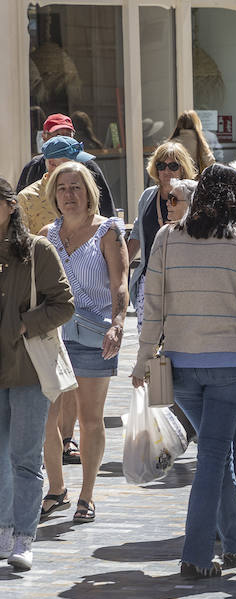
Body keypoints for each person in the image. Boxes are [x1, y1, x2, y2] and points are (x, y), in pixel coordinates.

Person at [131, 164, 236, 579]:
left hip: (181, 364)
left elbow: (151, 305)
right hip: (230, 362)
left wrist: (141, 360)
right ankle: (194, 552)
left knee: (215, 453)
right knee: (213, 454)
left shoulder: (167, 237)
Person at [37, 162, 128, 525]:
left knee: (90, 419)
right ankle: (57, 489)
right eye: (62, 189)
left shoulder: (108, 231)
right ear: (53, 195)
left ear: (89, 191)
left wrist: (118, 324)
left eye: (76, 187)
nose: (69, 195)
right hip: (53, 338)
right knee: (48, 418)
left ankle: (87, 495)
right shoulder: (46, 235)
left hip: (94, 336)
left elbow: (119, 284)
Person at [0, 178, 75, 571]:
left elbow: (64, 304)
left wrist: (23, 324)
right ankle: (3, 528)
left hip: (28, 370)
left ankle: (24, 538)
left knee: (25, 459)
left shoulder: (36, 250)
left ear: (10, 206)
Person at [129, 142, 201, 322]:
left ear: (183, 169)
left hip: (182, 280)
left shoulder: (192, 196)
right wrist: (118, 267)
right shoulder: (147, 196)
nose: (166, 171)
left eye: (173, 166)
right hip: (149, 279)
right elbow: (137, 234)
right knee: (147, 339)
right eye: (161, 166)